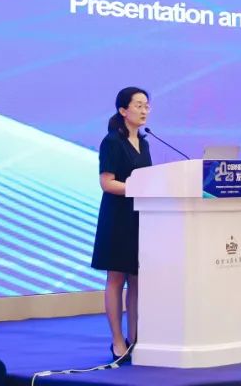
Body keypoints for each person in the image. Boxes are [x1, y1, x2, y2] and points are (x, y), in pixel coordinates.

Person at [91, 87, 153, 361]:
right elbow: (107, 183)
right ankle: (117, 342)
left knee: (137, 279)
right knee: (116, 277)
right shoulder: (112, 141)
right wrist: (137, 188)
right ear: (123, 110)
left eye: (146, 105)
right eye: (138, 105)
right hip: (117, 216)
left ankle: (136, 338)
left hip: (141, 216)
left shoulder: (145, 142)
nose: (144, 110)